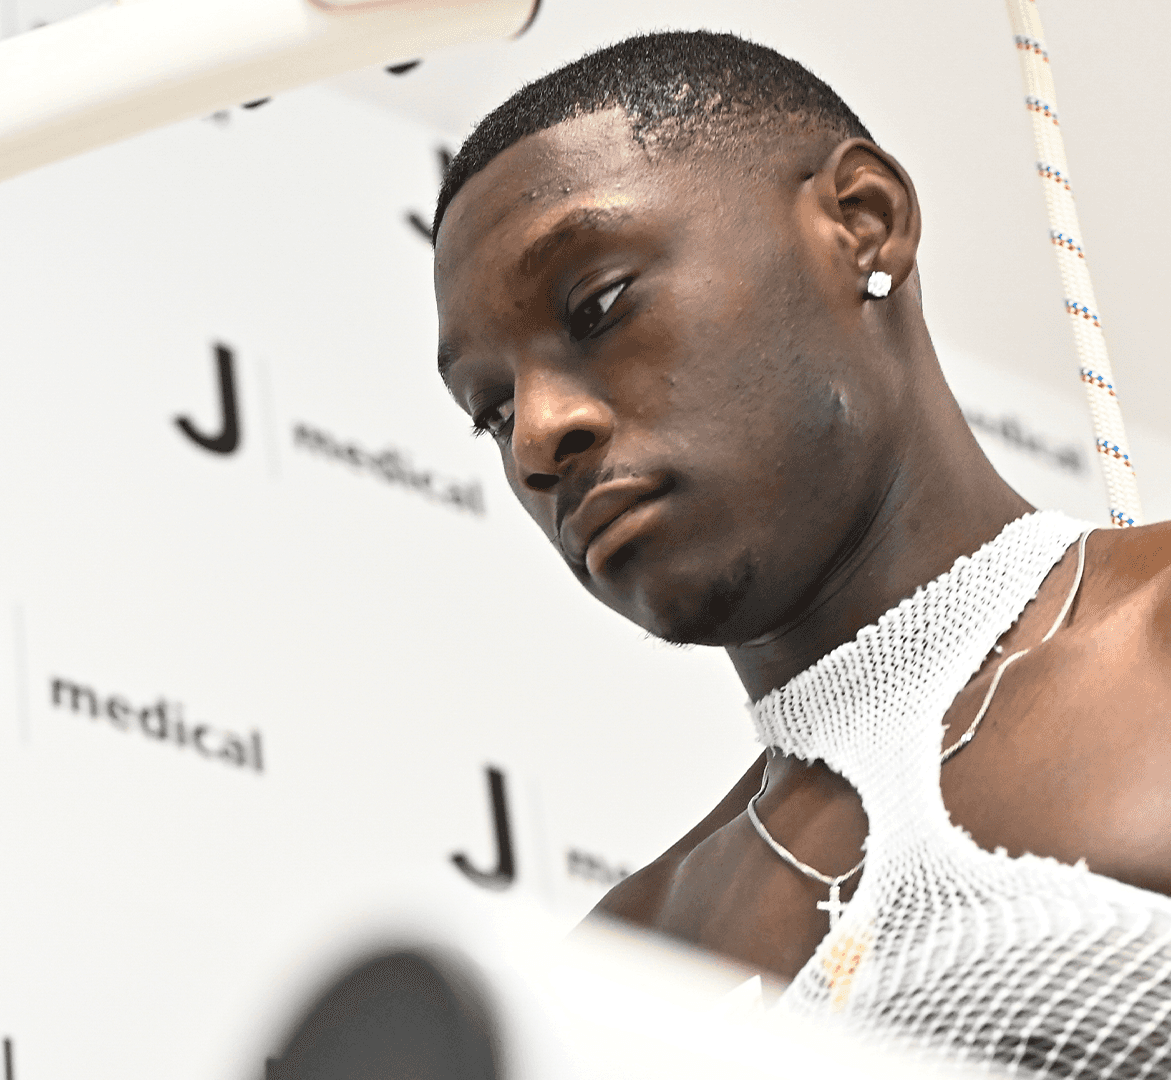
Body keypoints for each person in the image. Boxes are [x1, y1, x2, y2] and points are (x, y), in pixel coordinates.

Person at [431, 30, 1171, 1074]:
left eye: (598, 306)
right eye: (492, 412)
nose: (539, 436)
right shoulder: (628, 963)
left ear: (861, 224)